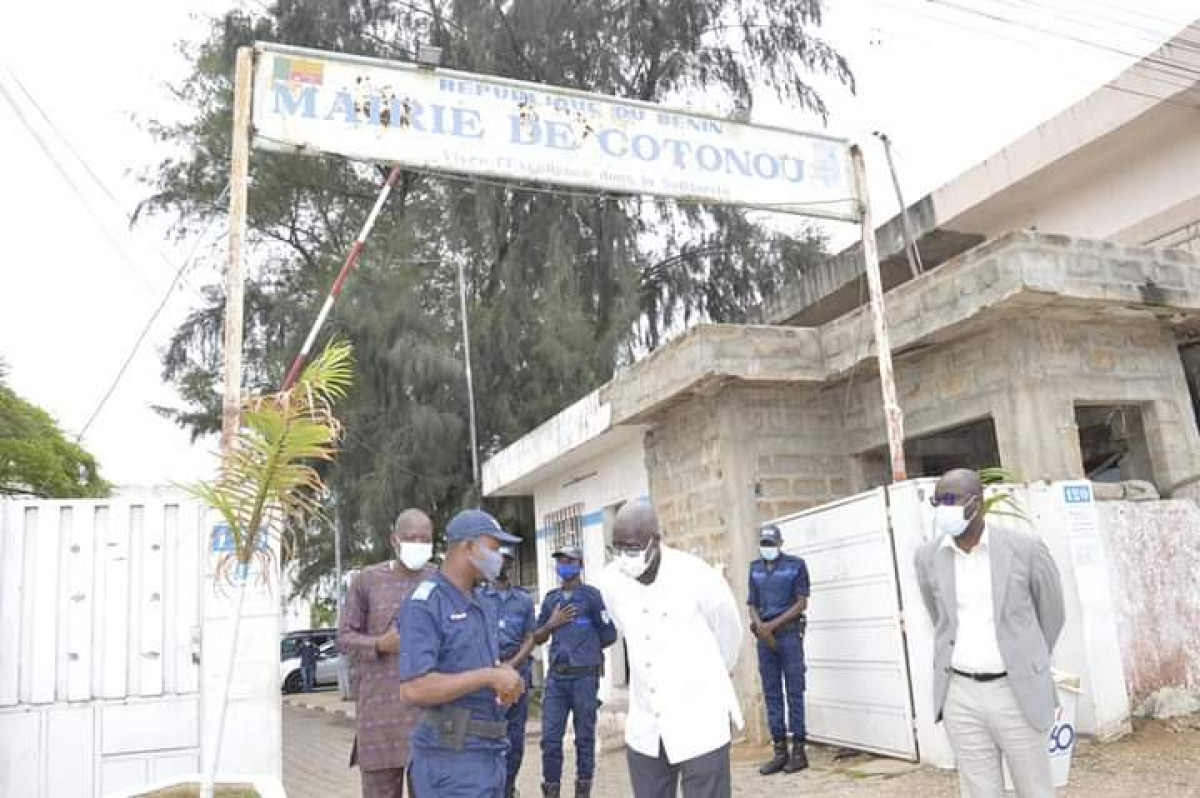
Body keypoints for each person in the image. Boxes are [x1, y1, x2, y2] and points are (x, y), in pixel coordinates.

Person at [914, 468, 1066, 798]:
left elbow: (1052, 615)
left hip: (1015, 690)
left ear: (978, 503)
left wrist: (1026, 661)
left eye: (951, 500)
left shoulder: (1025, 549)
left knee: (1035, 788)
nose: (944, 508)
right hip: (959, 694)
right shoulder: (927, 557)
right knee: (978, 789)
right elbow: (939, 617)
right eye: (938, 501)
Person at [596, 500, 743, 798]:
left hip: (699, 717)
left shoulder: (697, 577)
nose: (625, 556)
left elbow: (729, 636)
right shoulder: (610, 581)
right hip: (646, 723)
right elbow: (625, 629)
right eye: (617, 547)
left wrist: (704, 680)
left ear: (656, 541)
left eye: (633, 548)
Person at [397, 508, 526, 798]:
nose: (499, 557)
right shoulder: (425, 604)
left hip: (488, 754)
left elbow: (479, 666)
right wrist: (487, 677)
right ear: (468, 548)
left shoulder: (482, 603)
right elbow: (414, 689)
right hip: (449, 762)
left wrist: (504, 677)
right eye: (493, 548)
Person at [337, 509, 437, 798]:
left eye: (425, 539)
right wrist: (381, 644)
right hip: (380, 721)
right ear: (394, 540)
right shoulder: (367, 580)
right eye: (411, 538)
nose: (418, 543)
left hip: (429, 718)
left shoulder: (439, 580)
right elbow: (343, 639)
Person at [533, 545, 617, 798]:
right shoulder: (551, 600)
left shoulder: (592, 597)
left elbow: (608, 634)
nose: (564, 565)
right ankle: (551, 790)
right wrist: (551, 623)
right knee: (550, 740)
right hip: (557, 679)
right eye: (560, 560)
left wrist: (587, 649)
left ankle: (583, 789)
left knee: (584, 738)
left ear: (580, 564)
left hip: (584, 678)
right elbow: (537, 637)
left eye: (569, 560)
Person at [747, 524, 811, 776]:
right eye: (764, 544)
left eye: (771, 544)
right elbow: (751, 603)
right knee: (772, 693)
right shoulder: (754, 568)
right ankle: (779, 751)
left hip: (788, 635)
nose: (767, 548)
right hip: (765, 638)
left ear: (781, 543)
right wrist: (761, 627)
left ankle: (799, 751)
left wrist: (772, 625)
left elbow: (801, 603)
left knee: (794, 691)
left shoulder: (796, 565)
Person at [476, 546, 537, 797]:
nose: (501, 565)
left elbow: (531, 637)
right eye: (497, 560)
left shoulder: (522, 600)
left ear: (511, 565)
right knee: (486, 739)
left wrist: (510, 667)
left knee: (514, 741)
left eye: (506, 561)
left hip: (517, 676)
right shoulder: (477, 597)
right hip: (486, 679)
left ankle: (508, 787)